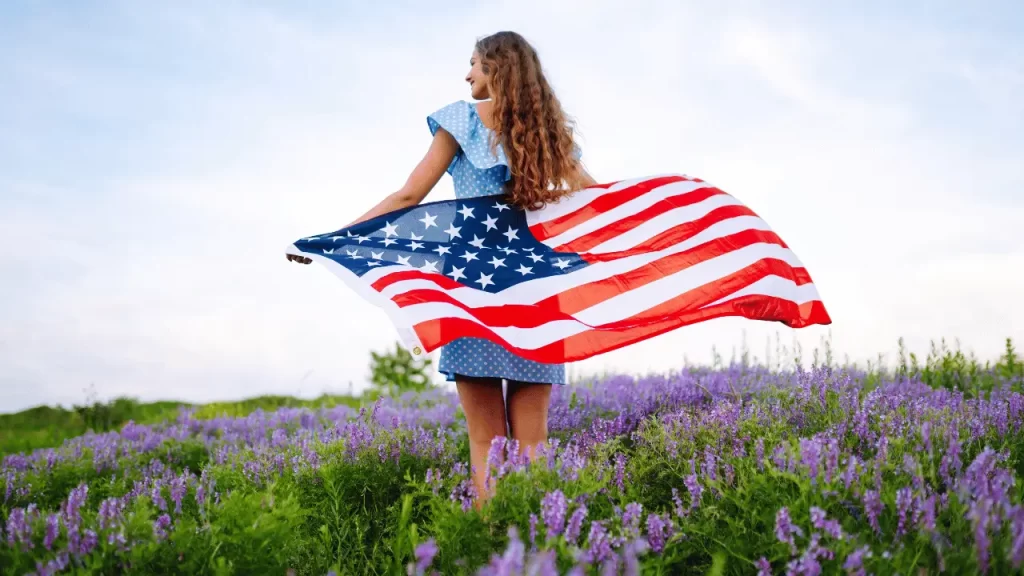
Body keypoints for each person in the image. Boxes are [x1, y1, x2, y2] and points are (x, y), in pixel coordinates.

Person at [288, 30, 597, 507]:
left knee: (485, 441)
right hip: (536, 292)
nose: (467, 73)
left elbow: (408, 197)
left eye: (473, 63)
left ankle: (491, 538)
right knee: (533, 438)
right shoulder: (550, 135)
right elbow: (599, 203)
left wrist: (335, 239)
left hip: (472, 292)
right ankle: (542, 542)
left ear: (494, 68)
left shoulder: (461, 121)